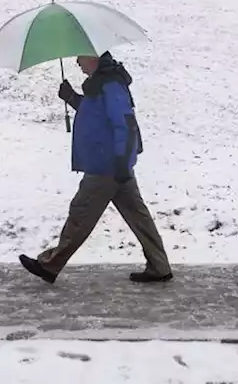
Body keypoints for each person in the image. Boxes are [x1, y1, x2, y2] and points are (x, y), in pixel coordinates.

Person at [19, 51, 173, 284]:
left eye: (80, 57)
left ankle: (49, 265)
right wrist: (72, 97)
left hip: (107, 166)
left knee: (81, 213)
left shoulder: (110, 85)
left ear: (94, 57)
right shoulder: (101, 84)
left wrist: (121, 162)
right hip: (114, 164)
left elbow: (125, 123)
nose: (77, 62)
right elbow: (96, 114)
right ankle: (159, 265)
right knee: (138, 216)